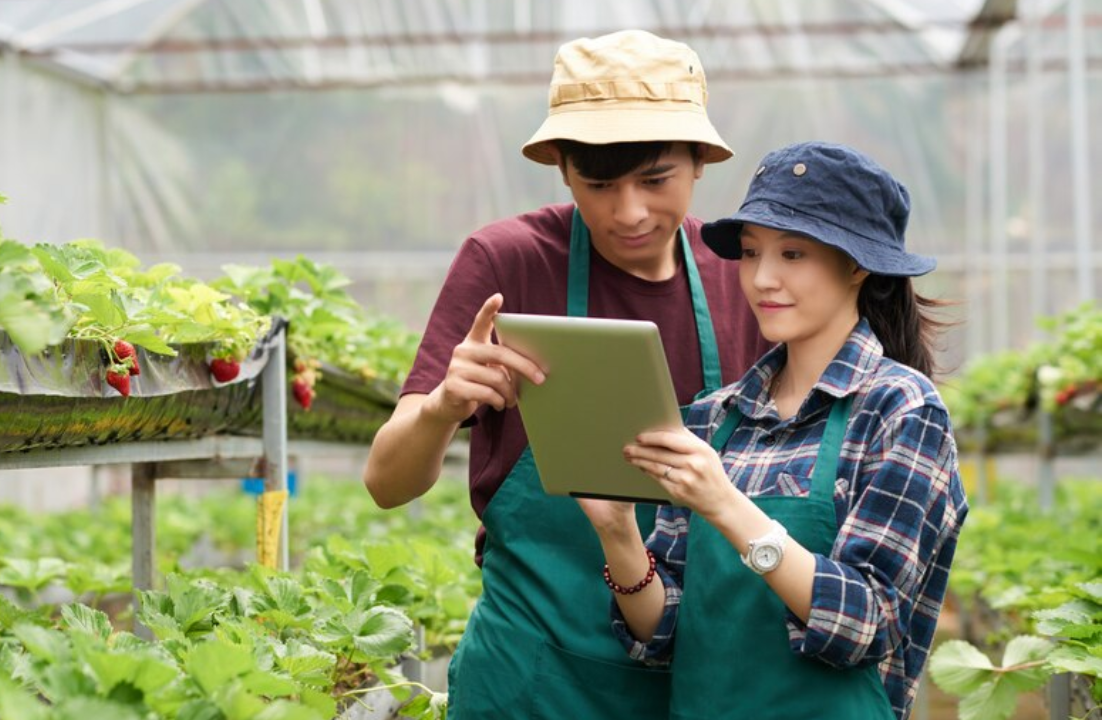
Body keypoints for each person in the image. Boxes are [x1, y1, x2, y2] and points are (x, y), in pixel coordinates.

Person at [363, 30, 773, 719]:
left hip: (699, 675)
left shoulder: (744, 276)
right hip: (531, 678)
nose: (629, 212)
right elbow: (386, 484)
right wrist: (440, 407)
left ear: (701, 162)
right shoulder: (510, 261)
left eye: (655, 180)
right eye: (600, 184)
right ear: (561, 170)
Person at [577, 141, 969, 720]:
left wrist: (724, 503)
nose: (762, 278)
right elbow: (659, 638)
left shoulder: (901, 411)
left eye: (792, 254)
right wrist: (618, 535)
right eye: (751, 253)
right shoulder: (714, 418)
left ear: (857, 264)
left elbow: (865, 622)